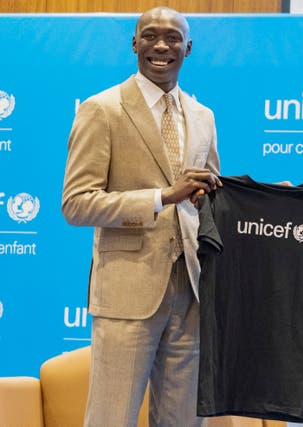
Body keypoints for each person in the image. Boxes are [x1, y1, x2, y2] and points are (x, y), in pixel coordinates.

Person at [61, 7, 220, 426]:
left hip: (191, 292)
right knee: (111, 418)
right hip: (127, 293)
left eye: (173, 38)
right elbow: (77, 203)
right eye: (150, 36)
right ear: (135, 44)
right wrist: (161, 197)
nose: (161, 46)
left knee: (185, 420)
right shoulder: (102, 109)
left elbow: (208, 198)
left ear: (189, 48)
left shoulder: (203, 117)